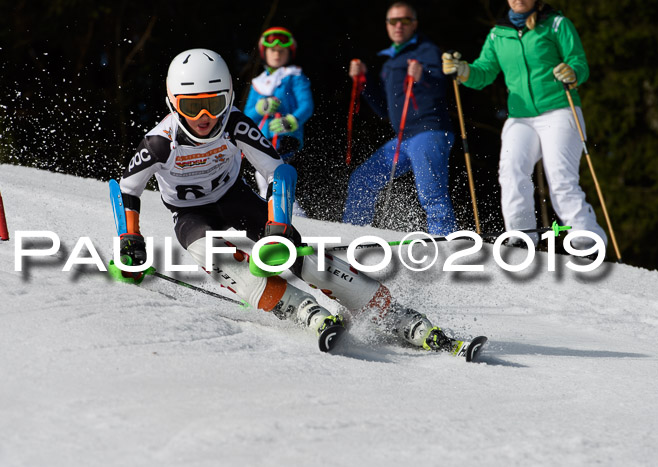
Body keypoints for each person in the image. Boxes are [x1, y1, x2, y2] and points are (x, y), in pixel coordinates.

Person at [115, 48, 463, 354]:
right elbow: (126, 189)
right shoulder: (160, 143)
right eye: (192, 107)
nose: (205, 118)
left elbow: (278, 173)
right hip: (190, 214)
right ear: (173, 104)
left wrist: (277, 224)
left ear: (230, 97)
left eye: (214, 104)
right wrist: (129, 238)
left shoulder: (236, 124)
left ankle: (393, 314)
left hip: (235, 197)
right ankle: (301, 309)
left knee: (296, 253)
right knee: (213, 256)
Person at [442, 0, 607, 248]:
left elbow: (579, 62)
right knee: (511, 171)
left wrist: (572, 73)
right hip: (520, 117)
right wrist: (463, 70)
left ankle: (587, 241)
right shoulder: (498, 34)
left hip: (559, 110)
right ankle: (521, 239)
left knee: (561, 179)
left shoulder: (556, 25)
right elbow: (484, 72)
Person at [343, 1, 457, 236]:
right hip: (404, 138)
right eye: (393, 21)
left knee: (431, 194)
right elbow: (385, 109)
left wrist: (423, 74)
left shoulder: (427, 51)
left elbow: (443, 86)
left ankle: (445, 242)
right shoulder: (391, 62)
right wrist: (363, 81)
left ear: (414, 24)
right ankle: (350, 236)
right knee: (362, 180)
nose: (398, 25)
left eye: (404, 20)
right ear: (387, 25)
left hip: (429, 131)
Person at [244, 27, 313, 215]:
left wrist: (292, 120)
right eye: (272, 50)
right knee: (263, 174)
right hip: (262, 139)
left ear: (289, 53)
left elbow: (306, 105)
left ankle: (292, 213)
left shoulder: (295, 77)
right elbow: (246, 116)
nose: (276, 53)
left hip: (287, 138)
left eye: (281, 51)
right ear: (264, 53)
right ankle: (272, 209)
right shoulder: (259, 82)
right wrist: (259, 109)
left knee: (274, 173)